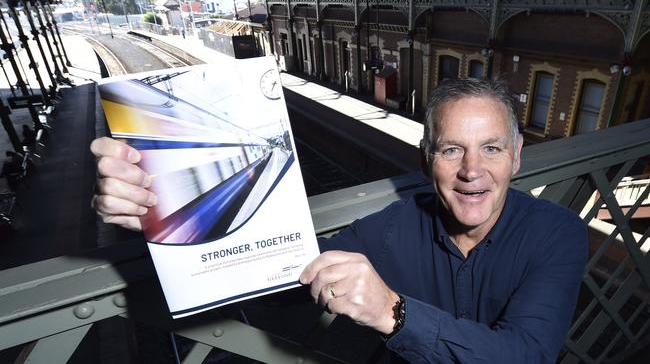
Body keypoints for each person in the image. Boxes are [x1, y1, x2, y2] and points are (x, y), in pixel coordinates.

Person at [90, 77, 588, 363]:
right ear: (425, 159)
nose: (472, 171)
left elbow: (528, 355)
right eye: (452, 149)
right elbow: (285, 259)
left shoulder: (557, 234)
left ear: (517, 157)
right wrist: (165, 209)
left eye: (492, 149)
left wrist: (393, 313)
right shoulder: (393, 228)